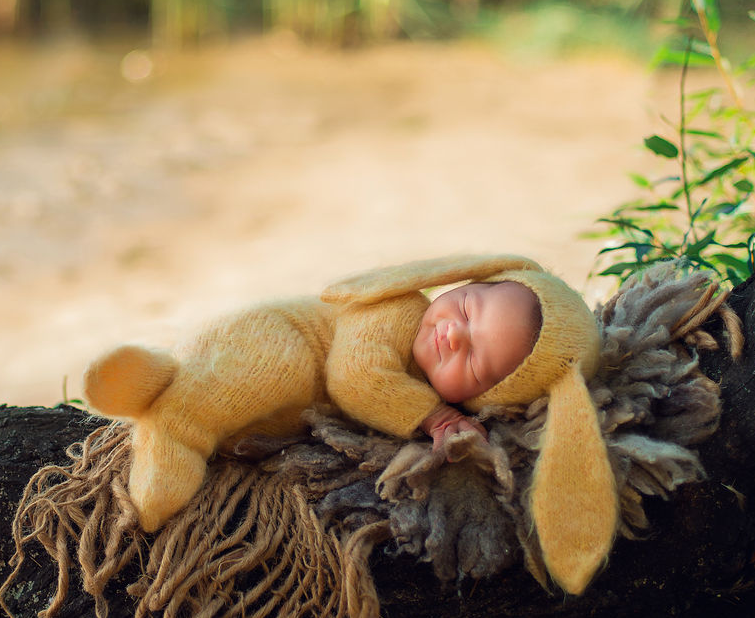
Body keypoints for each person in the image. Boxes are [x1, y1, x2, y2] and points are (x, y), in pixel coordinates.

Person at [84, 253, 618, 593]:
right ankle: (174, 427)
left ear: (489, 398)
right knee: (276, 371)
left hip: (267, 401)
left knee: (259, 398)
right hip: (267, 338)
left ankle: (158, 386)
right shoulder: (400, 311)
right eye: (467, 308)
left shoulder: (437, 371)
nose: (454, 334)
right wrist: (434, 416)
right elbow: (356, 378)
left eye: (475, 361)